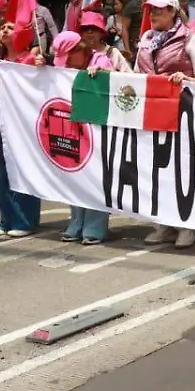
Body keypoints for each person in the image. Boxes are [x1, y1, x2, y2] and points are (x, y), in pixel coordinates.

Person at [136, 0, 195, 249]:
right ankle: (164, 223)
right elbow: (137, 75)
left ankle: (187, 225)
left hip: (183, 117)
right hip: (152, 116)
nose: (153, 14)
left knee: (183, 171)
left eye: (159, 9)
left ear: (173, 12)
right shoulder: (146, 38)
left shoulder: (190, 39)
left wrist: (185, 79)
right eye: (151, 10)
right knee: (158, 170)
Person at [0, 20, 44, 239]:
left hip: (24, 127)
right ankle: (6, 220)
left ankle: (25, 221)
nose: (4, 30)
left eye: (10, 27)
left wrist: (40, 66)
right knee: (2, 177)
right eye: (2, 28)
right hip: (1, 125)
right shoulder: (0, 62)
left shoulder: (30, 59)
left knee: (24, 174)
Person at [51, 32, 116, 243]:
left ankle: (95, 226)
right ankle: (76, 221)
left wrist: (103, 72)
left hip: (97, 127)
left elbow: (114, 82)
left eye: (69, 56)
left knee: (96, 176)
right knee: (75, 174)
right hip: (74, 126)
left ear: (80, 50)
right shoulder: (66, 67)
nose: (66, 62)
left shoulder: (101, 59)